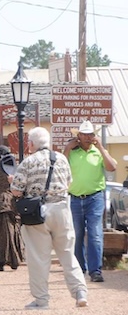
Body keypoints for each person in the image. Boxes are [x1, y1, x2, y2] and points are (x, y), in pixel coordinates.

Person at [11, 127, 88, 310]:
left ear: (31, 144)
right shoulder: (61, 158)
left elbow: (16, 190)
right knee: (67, 253)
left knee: (38, 257)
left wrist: (12, 181)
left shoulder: (28, 162)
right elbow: (68, 182)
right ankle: (80, 292)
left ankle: (41, 299)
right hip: (62, 209)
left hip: (38, 213)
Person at [62, 120, 116, 283]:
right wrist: (67, 148)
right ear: (78, 136)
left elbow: (112, 167)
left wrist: (100, 147)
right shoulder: (72, 152)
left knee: (94, 233)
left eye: (90, 134)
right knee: (77, 234)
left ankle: (95, 270)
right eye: (84, 134)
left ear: (94, 136)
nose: (87, 137)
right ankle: (80, 268)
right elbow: (60, 166)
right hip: (75, 198)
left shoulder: (98, 151)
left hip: (95, 197)